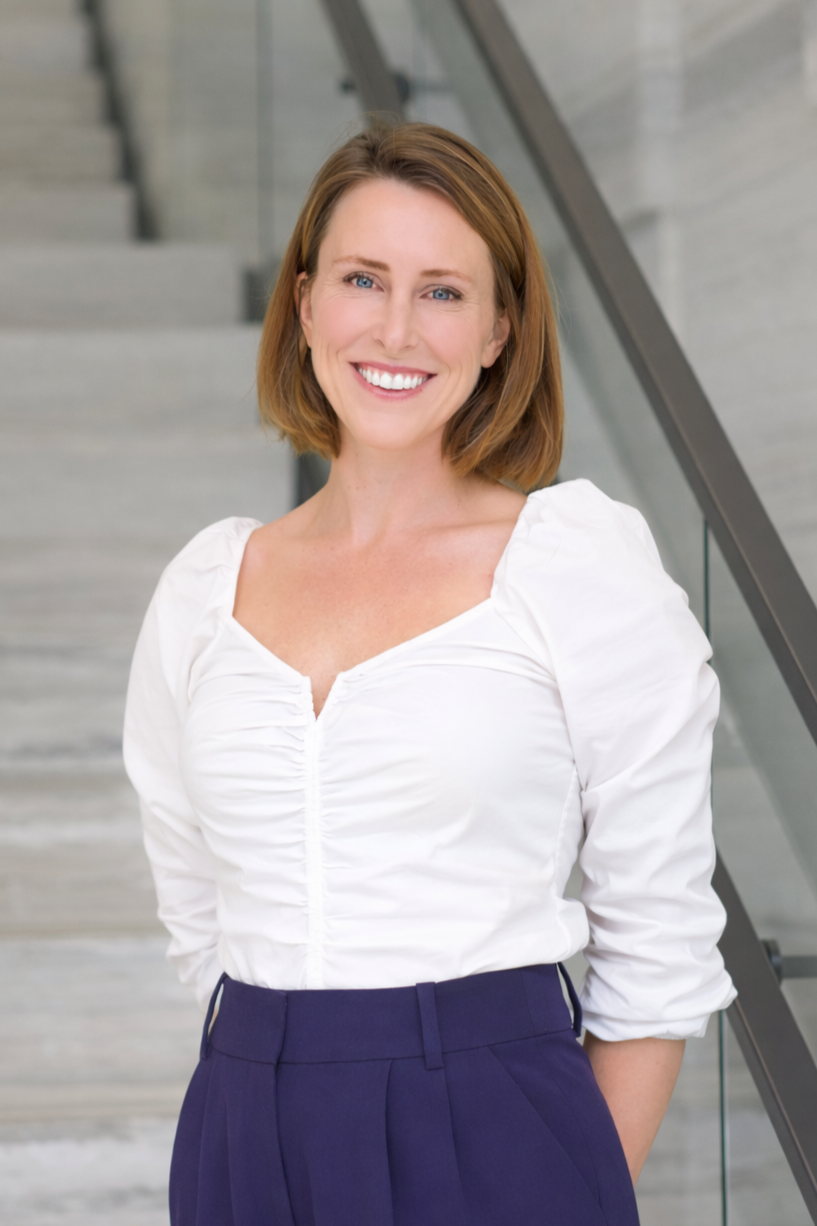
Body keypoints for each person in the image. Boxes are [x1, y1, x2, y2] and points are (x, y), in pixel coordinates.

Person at [123, 122, 735, 1226]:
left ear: (501, 328)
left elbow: (659, 941)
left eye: (444, 292)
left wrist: (568, 1188)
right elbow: (201, 917)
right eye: (364, 279)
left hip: (495, 1128)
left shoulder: (573, 567)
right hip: (243, 1121)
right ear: (305, 303)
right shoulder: (206, 590)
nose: (395, 328)